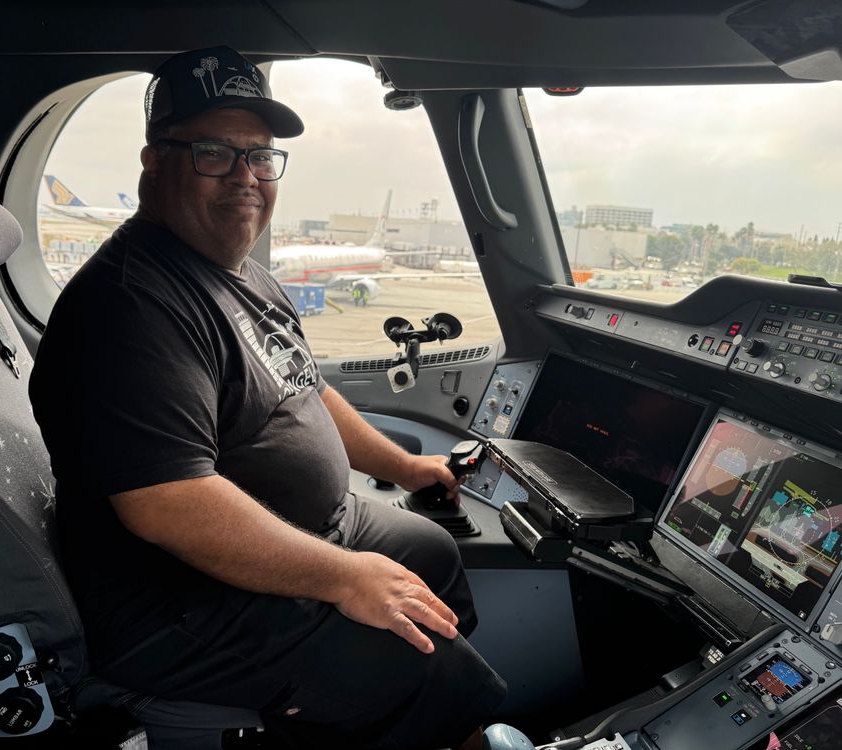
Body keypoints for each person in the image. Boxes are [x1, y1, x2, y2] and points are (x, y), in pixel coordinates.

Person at [30, 46, 506, 749]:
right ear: (155, 162)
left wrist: (405, 469)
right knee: (434, 673)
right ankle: (434, 713)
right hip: (177, 599)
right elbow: (168, 505)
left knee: (430, 553)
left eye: (260, 156)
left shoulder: (242, 274)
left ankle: (382, 725)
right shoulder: (128, 307)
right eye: (216, 154)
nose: (246, 177)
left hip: (304, 533)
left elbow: (306, 390)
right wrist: (343, 576)